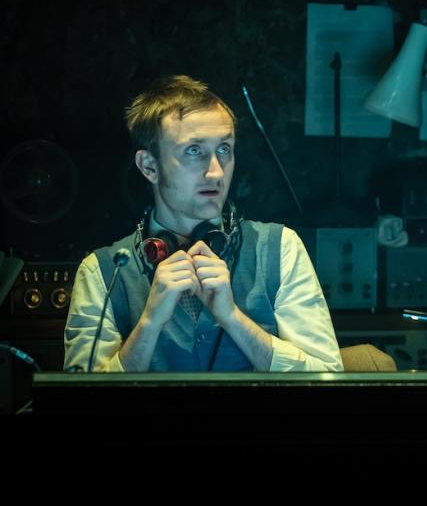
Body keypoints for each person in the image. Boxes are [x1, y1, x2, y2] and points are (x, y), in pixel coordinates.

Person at [64, 75, 343, 372]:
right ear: (149, 166)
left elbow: (327, 376)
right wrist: (149, 322)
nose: (216, 172)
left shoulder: (281, 248)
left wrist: (233, 318)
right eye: (194, 151)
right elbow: (83, 395)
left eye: (224, 149)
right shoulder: (102, 272)